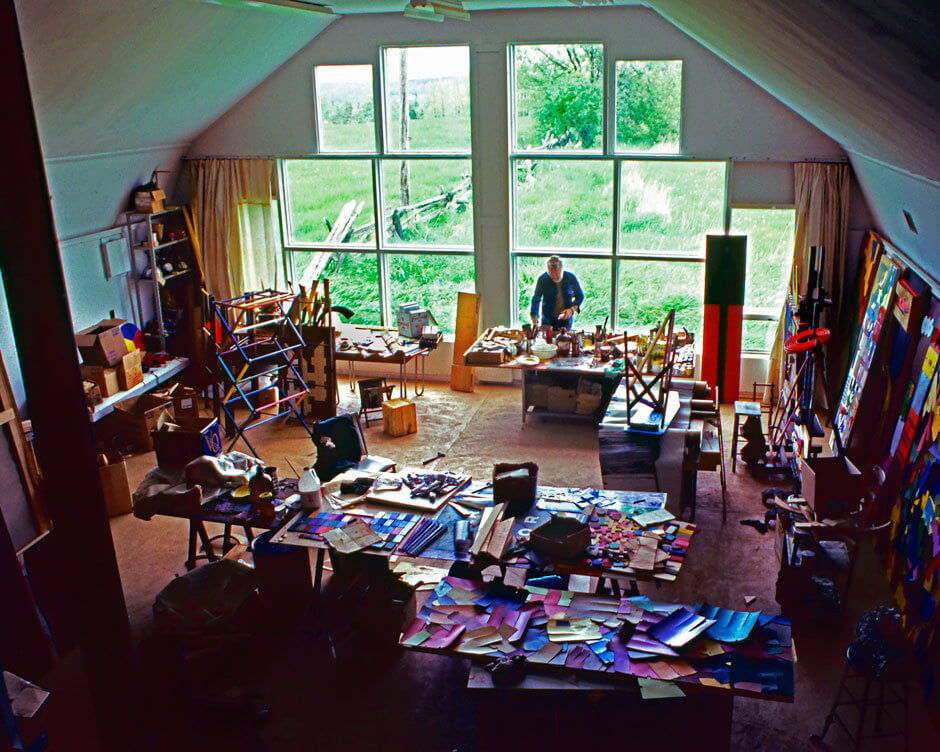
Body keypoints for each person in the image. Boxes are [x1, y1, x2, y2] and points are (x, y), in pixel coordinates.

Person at [529, 256, 584, 331]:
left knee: (564, 340)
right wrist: (535, 318)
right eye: (551, 275)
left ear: (561, 269)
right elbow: (536, 299)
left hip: (565, 320)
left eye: (557, 274)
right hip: (547, 320)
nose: (554, 277)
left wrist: (571, 310)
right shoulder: (543, 279)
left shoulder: (570, 278)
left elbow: (580, 296)